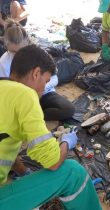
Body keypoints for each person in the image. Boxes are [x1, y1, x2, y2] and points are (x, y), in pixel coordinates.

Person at [0, 45, 102, 210]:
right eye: (46, 81)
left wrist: (23, 172)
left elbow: (4, 143)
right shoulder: (25, 94)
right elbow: (53, 162)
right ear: (36, 73)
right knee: (73, 172)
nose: (43, 89)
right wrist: (66, 143)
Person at [0, 19, 75, 121]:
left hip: (43, 95)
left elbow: (54, 78)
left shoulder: (38, 54)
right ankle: (30, 116)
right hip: (21, 100)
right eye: (12, 51)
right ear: (6, 45)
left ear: (26, 43)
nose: (17, 55)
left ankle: (33, 116)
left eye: (20, 50)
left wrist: (41, 88)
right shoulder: (3, 62)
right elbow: (6, 90)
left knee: (68, 109)